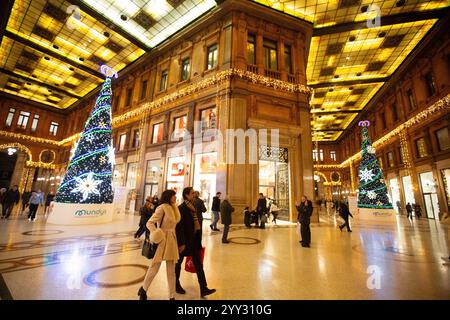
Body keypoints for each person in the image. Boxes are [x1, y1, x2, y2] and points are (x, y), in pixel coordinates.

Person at [138, 189, 181, 300]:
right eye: (173, 196)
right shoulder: (162, 208)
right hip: (162, 241)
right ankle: (143, 289)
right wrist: (156, 233)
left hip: (172, 241)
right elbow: (149, 223)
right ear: (168, 197)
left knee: (171, 271)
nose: (175, 198)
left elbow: (174, 225)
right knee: (154, 268)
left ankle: (172, 296)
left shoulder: (173, 208)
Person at [175, 187, 216, 298]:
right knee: (178, 264)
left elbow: (196, 224)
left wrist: (199, 240)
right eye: (192, 193)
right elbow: (180, 228)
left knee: (199, 265)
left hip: (194, 241)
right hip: (184, 243)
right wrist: (181, 243)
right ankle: (176, 284)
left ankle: (204, 288)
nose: (194, 195)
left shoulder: (194, 207)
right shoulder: (181, 208)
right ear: (186, 195)